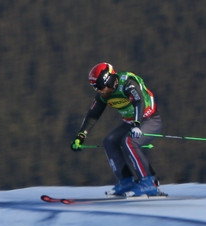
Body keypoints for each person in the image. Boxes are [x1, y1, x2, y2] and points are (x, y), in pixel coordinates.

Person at [70, 62, 164, 196]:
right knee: (110, 141)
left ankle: (149, 182)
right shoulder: (104, 95)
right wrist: (81, 136)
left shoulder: (127, 84)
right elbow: (93, 114)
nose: (98, 90)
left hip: (150, 120)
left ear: (107, 80)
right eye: (95, 87)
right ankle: (126, 181)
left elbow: (139, 101)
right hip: (130, 123)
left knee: (129, 141)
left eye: (99, 86)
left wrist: (137, 124)